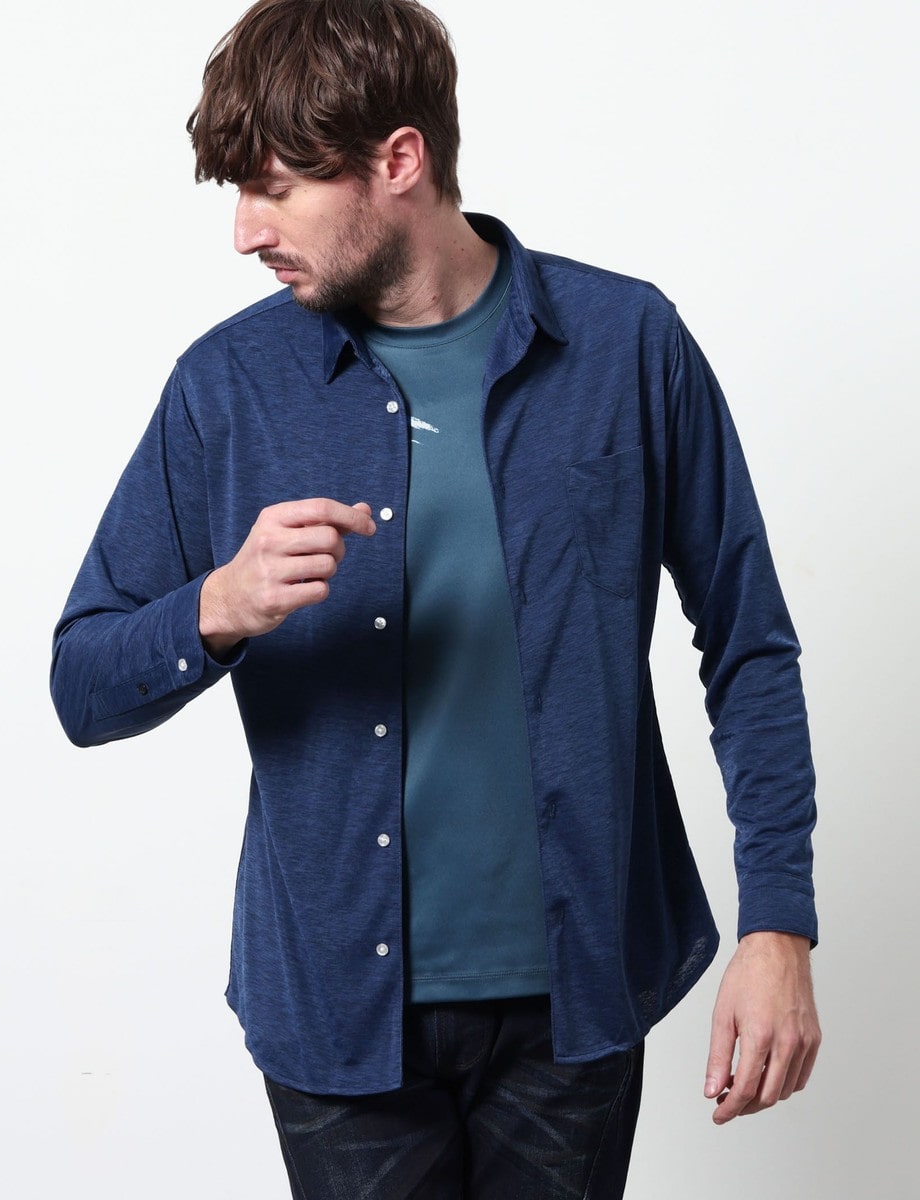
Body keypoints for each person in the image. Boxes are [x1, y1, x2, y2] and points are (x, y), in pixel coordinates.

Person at [51, 1, 820, 1195]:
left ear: (398, 160)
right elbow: (82, 682)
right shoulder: (228, 387)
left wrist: (778, 925)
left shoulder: (628, 346)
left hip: (578, 996)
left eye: (274, 188)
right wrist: (217, 605)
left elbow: (748, 645)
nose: (245, 232)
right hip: (335, 1011)